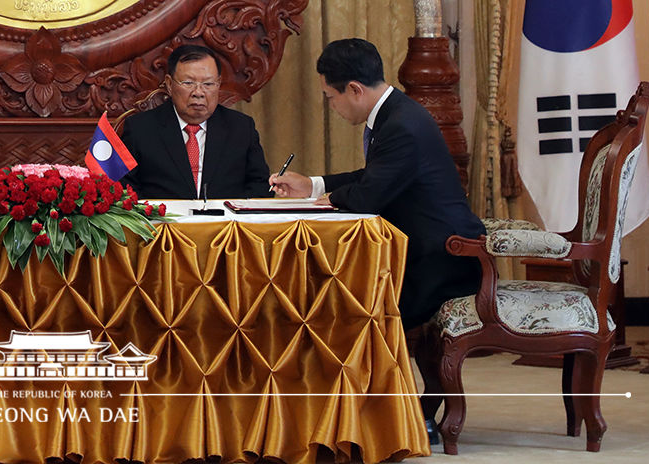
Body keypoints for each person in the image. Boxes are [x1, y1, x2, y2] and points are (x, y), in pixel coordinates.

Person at [269, 37, 485, 330]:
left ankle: (358, 376)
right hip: (420, 253)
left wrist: (332, 199)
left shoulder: (401, 125)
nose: (332, 106)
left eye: (331, 97)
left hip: (438, 263)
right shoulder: (395, 113)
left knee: (332, 305)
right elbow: (375, 176)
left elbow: (367, 195)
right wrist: (313, 185)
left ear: (355, 89)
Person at [120, 44, 270, 200]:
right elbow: (126, 188)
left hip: (224, 222)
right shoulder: (140, 129)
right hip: (164, 222)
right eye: (188, 83)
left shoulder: (241, 128)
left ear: (218, 84)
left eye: (208, 84)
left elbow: (259, 185)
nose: (198, 93)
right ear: (170, 85)